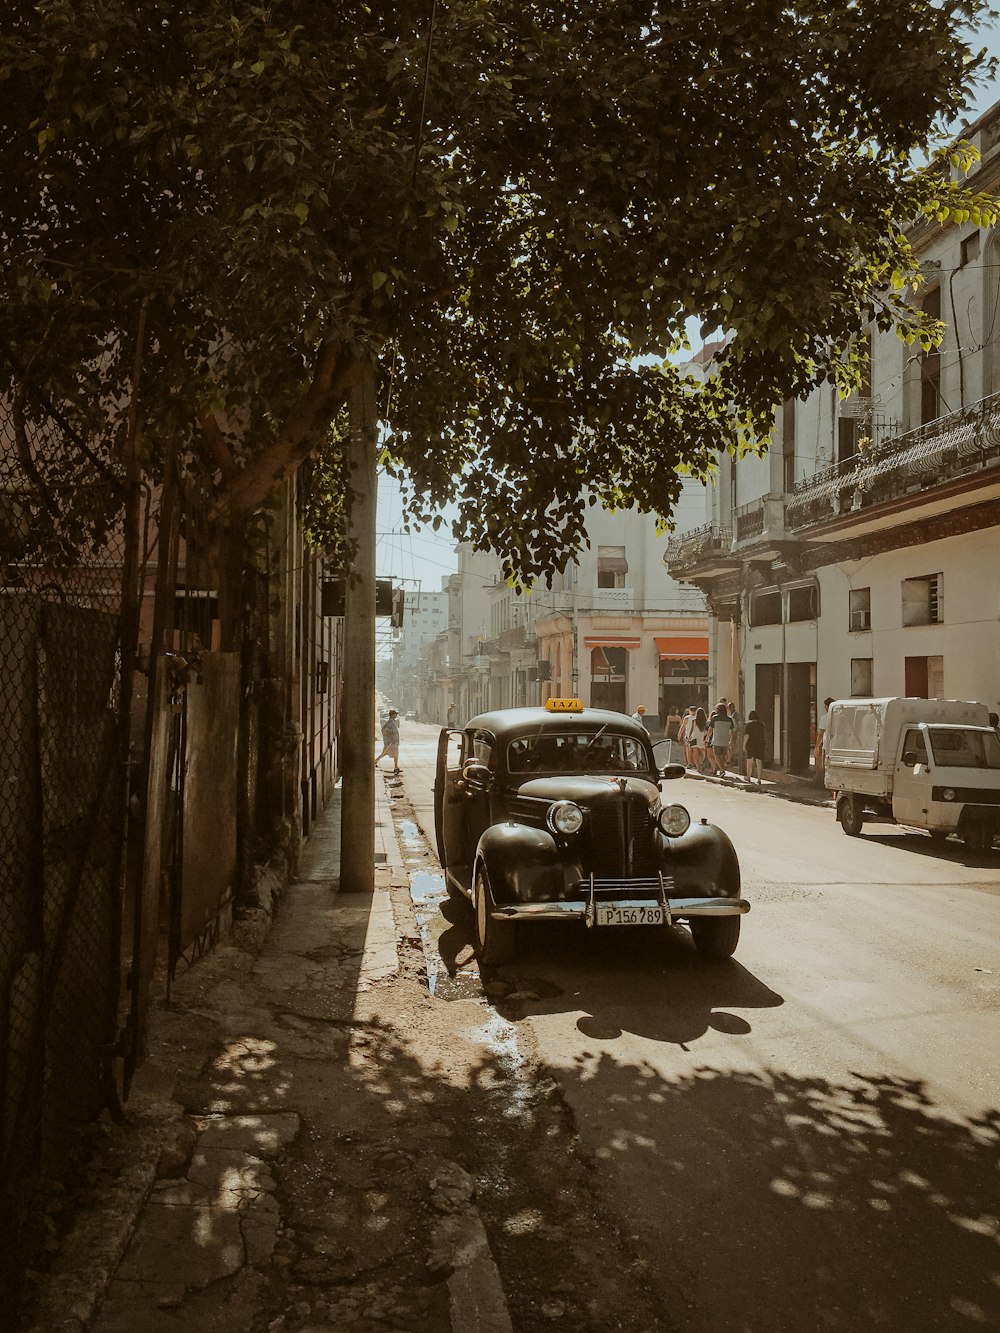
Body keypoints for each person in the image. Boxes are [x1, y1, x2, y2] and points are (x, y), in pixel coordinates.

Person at [708, 702, 734, 777]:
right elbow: (731, 731)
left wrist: (707, 738)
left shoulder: (715, 718)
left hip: (716, 740)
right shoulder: (729, 719)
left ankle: (722, 769)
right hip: (725, 741)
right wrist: (731, 740)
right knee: (723, 755)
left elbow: (710, 729)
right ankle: (722, 769)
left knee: (716, 755)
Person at [375, 709, 402, 773]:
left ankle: (396, 767)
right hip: (391, 742)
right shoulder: (390, 722)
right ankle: (396, 767)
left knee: (388, 753)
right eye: (395, 714)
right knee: (390, 753)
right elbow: (385, 731)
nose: (396, 715)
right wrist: (391, 738)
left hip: (393, 742)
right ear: (392, 715)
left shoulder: (393, 721)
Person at [744, 709, 766, 785]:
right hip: (760, 744)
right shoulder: (761, 724)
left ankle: (748, 776)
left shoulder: (749, 725)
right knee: (759, 761)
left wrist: (744, 745)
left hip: (751, 744)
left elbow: (747, 735)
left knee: (749, 761)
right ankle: (759, 779)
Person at [814, 696, 834, 779]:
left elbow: (821, 734)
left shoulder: (824, 717)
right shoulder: (840, 716)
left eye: (825, 707)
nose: (824, 708)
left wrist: (817, 747)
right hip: (837, 745)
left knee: (825, 766)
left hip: (827, 746)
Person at [689, 706, 709, 773]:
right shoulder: (705, 722)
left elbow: (691, 729)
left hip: (695, 737)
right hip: (702, 737)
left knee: (695, 753)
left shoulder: (693, 721)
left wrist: (689, 736)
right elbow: (706, 730)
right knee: (701, 752)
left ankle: (698, 768)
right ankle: (701, 762)